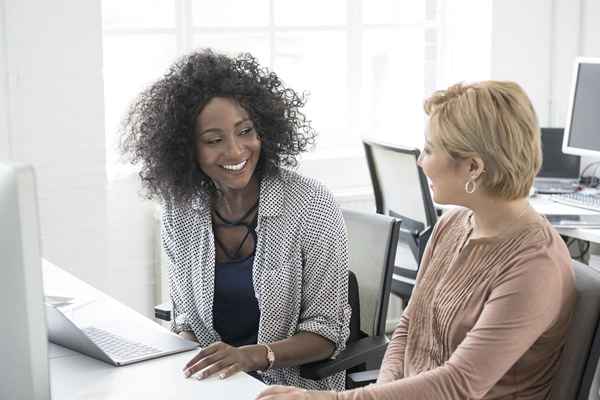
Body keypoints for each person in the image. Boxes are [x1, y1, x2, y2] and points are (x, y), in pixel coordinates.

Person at [256, 81, 576, 400]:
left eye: (430, 149)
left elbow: (459, 385)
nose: (421, 161)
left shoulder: (534, 265)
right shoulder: (451, 224)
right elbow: (408, 327)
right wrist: (382, 390)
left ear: (473, 167)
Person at [119, 49, 351, 391]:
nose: (235, 151)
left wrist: (250, 357)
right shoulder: (179, 209)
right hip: (213, 386)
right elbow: (185, 319)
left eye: (245, 132)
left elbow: (327, 333)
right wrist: (186, 363)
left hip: (287, 390)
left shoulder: (309, 203)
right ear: (186, 149)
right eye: (214, 140)